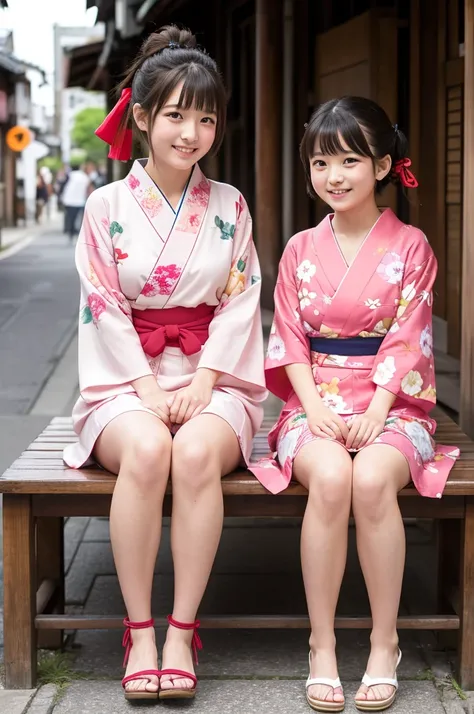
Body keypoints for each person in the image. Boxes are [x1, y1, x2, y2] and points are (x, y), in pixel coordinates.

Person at [63, 24, 266, 702]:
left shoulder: (230, 204)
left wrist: (205, 381)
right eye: (176, 114)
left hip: (213, 372)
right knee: (149, 452)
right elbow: (102, 307)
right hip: (126, 378)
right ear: (143, 116)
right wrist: (147, 386)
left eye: (206, 117)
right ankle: (139, 630)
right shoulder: (105, 207)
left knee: (197, 454)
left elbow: (241, 302)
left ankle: (182, 630)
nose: (192, 132)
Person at [250, 96, 459, 713]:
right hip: (314, 401)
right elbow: (287, 337)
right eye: (320, 161)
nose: (333, 176)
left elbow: (410, 336)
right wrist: (312, 406)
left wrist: (379, 408)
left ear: (383, 165)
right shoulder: (297, 249)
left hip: (394, 402)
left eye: (348, 159)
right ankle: (321, 645)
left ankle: (383, 641)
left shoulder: (412, 245)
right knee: (333, 476)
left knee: (371, 480)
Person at [62, 161, 93, 241]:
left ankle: (71, 232)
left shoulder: (70, 175)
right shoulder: (85, 177)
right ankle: (79, 233)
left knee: (70, 217)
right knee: (80, 218)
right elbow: (89, 189)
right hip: (80, 201)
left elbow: (63, 186)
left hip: (68, 200)